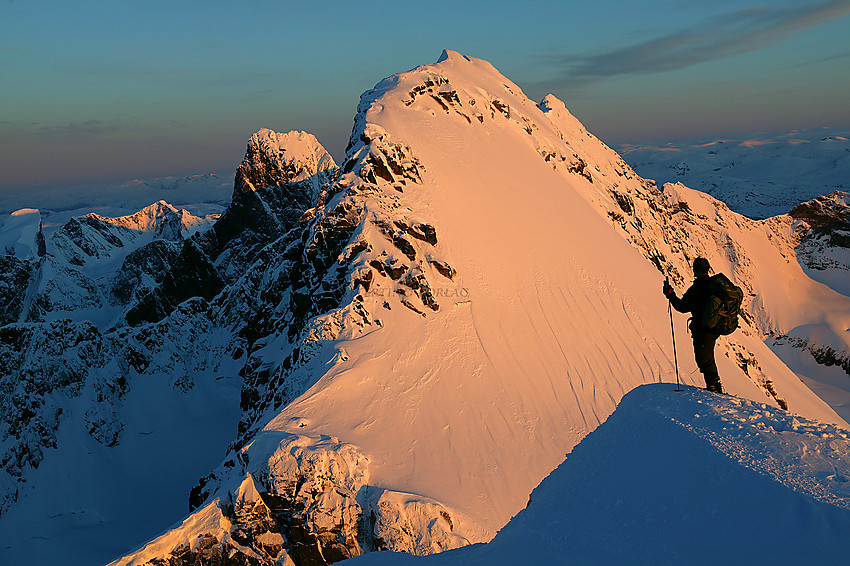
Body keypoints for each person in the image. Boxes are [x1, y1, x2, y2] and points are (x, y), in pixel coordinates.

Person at [663, 257, 724, 393]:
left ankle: (714, 387)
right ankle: (714, 385)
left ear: (695, 271)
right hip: (713, 328)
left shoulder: (696, 288)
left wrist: (670, 294)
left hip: (702, 330)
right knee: (707, 356)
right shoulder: (714, 285)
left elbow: (682, 306)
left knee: (704, 358)